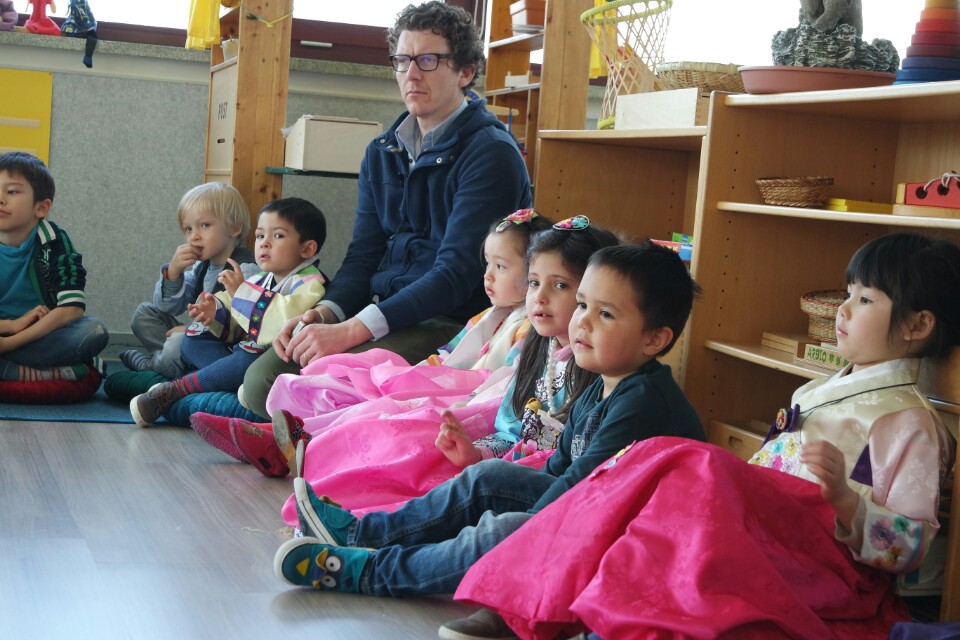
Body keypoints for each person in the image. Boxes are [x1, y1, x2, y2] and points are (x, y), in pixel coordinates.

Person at [451, 232, 960, 640]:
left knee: (685, 471)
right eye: (848, 294)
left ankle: (560, 612)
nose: (842, 310)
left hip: (824, 561)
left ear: (917, 325)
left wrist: (849, 502)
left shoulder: (905, 421)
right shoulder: (826, 388)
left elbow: (910, 548)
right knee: (650, 504)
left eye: (864, 299)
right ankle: (533, 602)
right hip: (774, 532)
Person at [271, 241, 706, 602]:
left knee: (503, 531)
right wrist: (506, 492)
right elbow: (561, 469)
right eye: (582, 305)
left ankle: (369, 571)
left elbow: (576, 492)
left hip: (636, 539)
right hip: (595, 509)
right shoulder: (604, 382)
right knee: (487, 477)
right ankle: (361, 532)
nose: (582, 323)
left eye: (605, 314)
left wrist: (519, 534)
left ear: (655, 339)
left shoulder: (643, 402)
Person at [239, 0, 532, 419]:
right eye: (402, 60)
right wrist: (325, 313)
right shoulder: (382, 151)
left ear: (465, 72)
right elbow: (363, 255)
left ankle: (284, 430)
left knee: (319, 383)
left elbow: (454, 277)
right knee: (262, 381)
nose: (411, 73)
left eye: (428, 59)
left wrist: (353, 330)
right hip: (388, 312)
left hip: (454, 323)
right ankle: (280, 425)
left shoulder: (491, 154)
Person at [282, 217, 618, 527]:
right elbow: (506, 424)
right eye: (533, 282)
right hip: (487, 439)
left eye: (560, 286)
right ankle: (307, 453)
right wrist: (477, 452)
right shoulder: (538, 347)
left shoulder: (592, 367)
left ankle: (360, 523)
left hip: (529, 474)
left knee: (422, 453)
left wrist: (483, 454)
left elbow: (561, 456)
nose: (540, 297)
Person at [190, 210, 552, 480]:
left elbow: (502, 386)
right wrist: (415, 375)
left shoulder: (528, 330)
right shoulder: (486, 317)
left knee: (383, 411)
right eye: (487, 263)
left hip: (466, 399)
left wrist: (428, 386)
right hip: (442, 382)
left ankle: (289, 442)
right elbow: (447, 355)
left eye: (501, 266)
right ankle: (283, 434)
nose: (487, 275)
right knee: (356, 374)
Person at [129, 198, 328, 427]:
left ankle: (176, 389)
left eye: (278, 236)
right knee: (193, 338)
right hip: (243, 358)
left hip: (277, 362)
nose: (264, 243)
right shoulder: (261, 279)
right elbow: (237, 317)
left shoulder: (311, 283)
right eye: (260, 236)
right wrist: (214, 312)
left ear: (307, 248)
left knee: (250, 356)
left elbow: (281, 320)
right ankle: (227, 381)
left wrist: (242, 293)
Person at [120, 182, 258, 379]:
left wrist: (188, 330)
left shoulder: (244, 269)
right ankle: (176, 363)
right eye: (188, 229)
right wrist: (174, 271)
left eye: (205, 225)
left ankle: (151, 366)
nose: (194, 237)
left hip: (221, 348)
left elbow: (241, 326)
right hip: (195, 338)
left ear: (234, 228)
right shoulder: (202, 266)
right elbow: (167, 307)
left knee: (178, 341)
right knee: (144, 314)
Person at [0, 151, 108, 384]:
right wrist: (11, 326)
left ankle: (9, 366)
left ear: (41, 207)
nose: (1, 199)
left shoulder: (53, 240)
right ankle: (31, 370)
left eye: (12, 191)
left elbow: (71, 310)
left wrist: (9, 343)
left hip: (40, 336)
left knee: (94, 330)